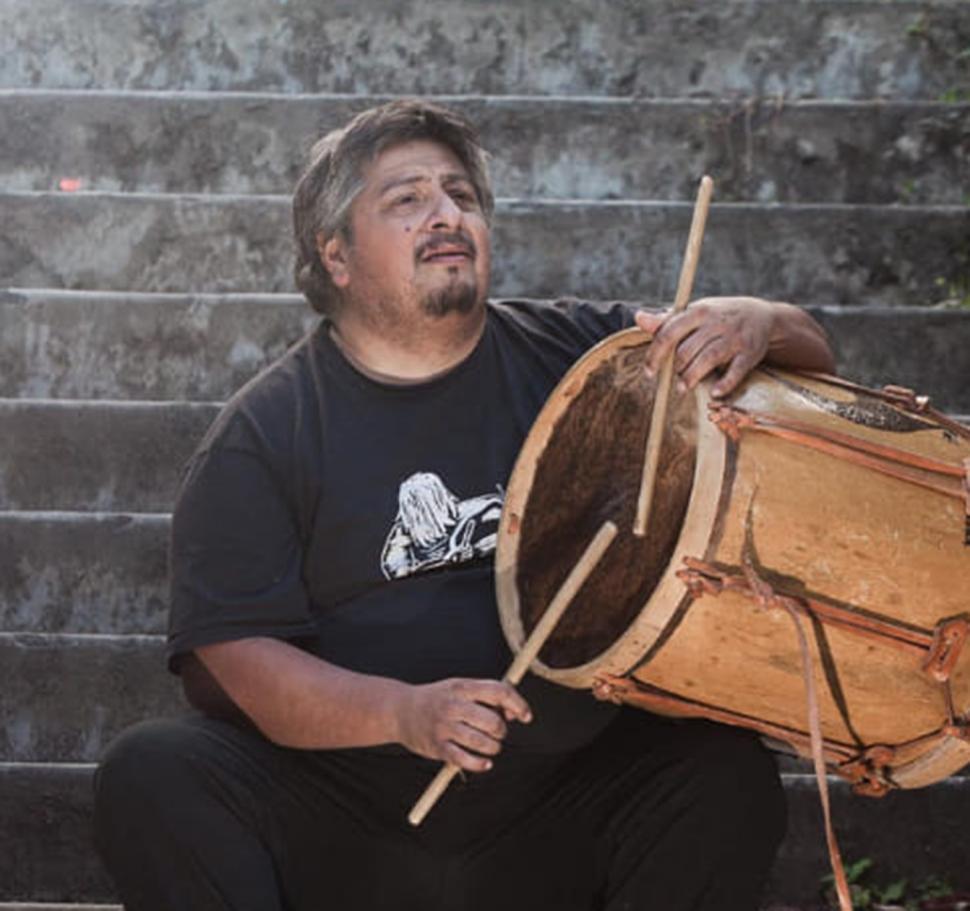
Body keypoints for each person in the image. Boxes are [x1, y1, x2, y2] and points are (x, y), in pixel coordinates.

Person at [93, 99, 836, 911]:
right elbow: (232, 663)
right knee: (151, 773)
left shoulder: (583, 356)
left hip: (560, 802)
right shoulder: (265, 431)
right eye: (407, 199)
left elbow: (809, 355)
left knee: (722, 773)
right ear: (335, 256)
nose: (447, 214)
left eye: (462, 195)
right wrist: (403, 712)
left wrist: (758, 321)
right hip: (345, 820)